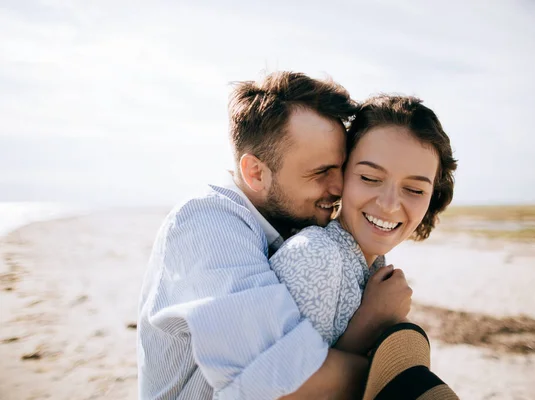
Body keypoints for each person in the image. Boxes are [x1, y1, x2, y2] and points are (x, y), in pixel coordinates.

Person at [137, 71, 414, 399]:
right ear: (256, 173)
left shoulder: (290, 224)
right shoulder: (206, 223)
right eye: (320, 172)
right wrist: (378, 336)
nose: (339, 187)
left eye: (340, 168)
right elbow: (283, 385)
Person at [269, 95, 460, 398]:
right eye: (370, 177)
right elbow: (279, 391)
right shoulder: (316, 256)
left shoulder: (369, 266)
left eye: (414, 189)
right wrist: (372, 322)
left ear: (432, 198)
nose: (388, 205)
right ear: (341, 175)